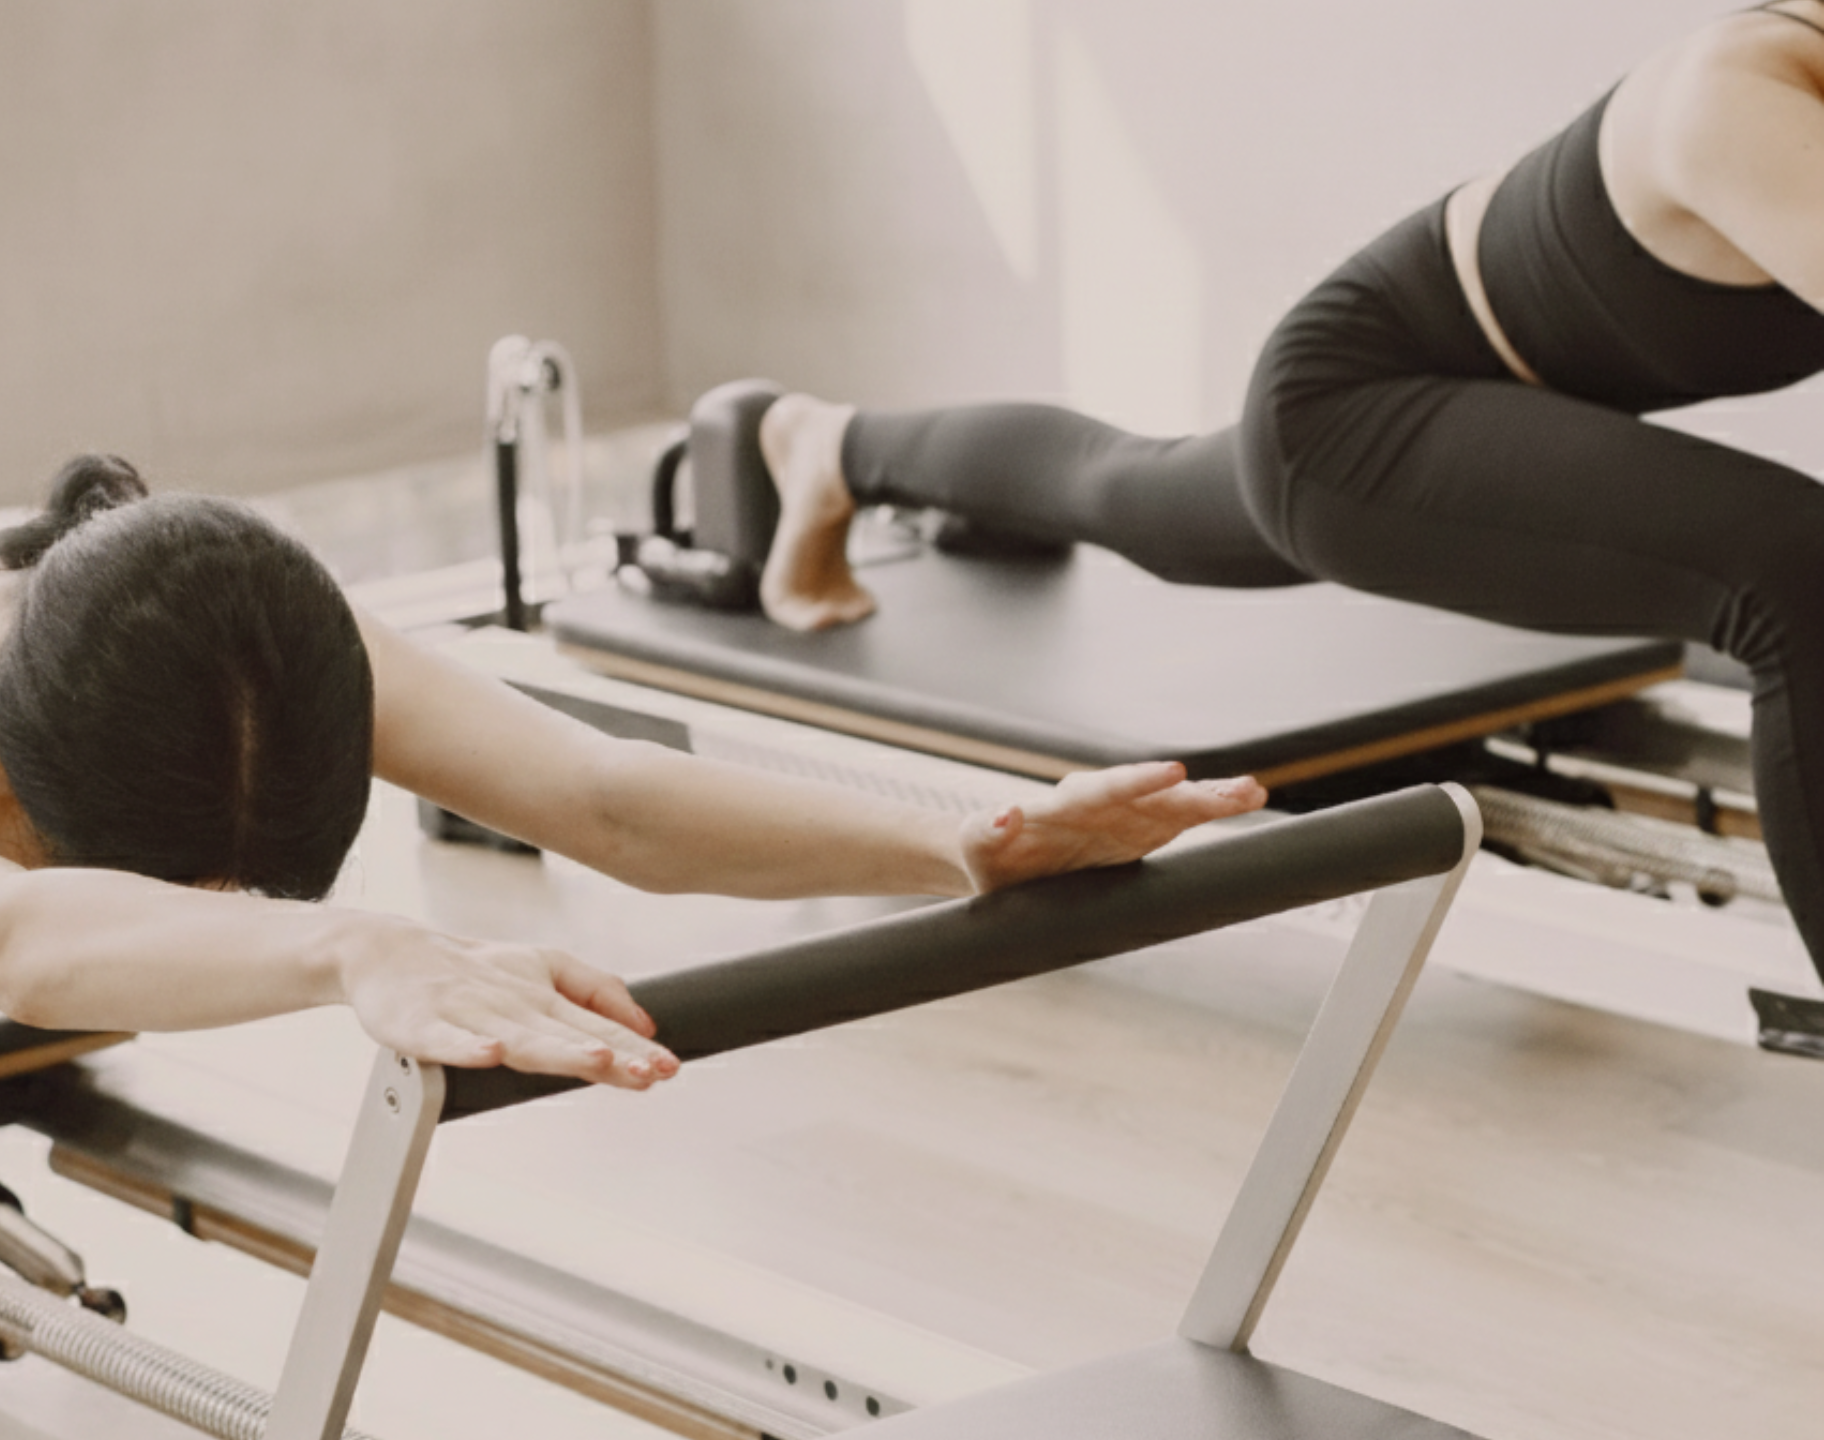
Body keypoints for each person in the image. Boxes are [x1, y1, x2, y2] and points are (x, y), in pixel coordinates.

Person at [750, 1, 1824, 981]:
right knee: (1791, 567)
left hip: (1456, 406)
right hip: (1352, 408)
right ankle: (830, 449)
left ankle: (832, 445)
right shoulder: (1739, 105)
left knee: (1133, 498)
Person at [0, 455, 1265, 1089]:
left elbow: (603, 797)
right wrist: (352, 946)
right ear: (26, 791)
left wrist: (963, 840)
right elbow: (10, 941)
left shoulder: (196, 620)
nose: (208, 906)